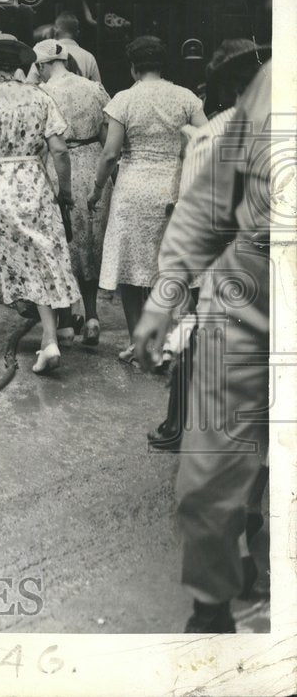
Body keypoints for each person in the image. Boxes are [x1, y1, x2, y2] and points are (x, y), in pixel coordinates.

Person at [132, 61, 271, 633]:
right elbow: (210, 207)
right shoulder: (273, 83)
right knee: (209, 472)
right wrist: (163, 300)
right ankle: (211, 611)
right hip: (250, 292)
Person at [148, 39, 269, 450]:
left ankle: (178, 427)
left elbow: (195, 215)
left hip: (228, 275)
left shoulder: (214, 136)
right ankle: (182, 427)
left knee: (196, 351)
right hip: (243, 273)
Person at [0, 33, 80, 372]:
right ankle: (50, 340)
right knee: (41, 256)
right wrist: (64, 192)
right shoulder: (40, 96)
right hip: (32, 184)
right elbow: (59, 150)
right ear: (19, 65)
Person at [90, 36, 206, 361]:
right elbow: (207, 139)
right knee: (171, 263)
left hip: (133, 186)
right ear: (162, 64)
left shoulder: (124, 99)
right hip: (173, 185)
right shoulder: (185, 97)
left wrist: (97, 189)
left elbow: (111, 153)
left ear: (133, 68)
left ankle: (136, 342)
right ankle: (174, 340)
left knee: (131, 267)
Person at [35, 39, 112, 346]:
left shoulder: (42, 93)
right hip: (93, 165)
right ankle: (92, 315)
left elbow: (46, 143)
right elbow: (108, 135)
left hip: (58, 169)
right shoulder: (94, 88)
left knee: (61, 244)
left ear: (42, 65)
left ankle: (66, 320)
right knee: (90, 243)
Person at [27, 12, 102, 85]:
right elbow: (98, 88)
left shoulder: (44, 54)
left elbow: (30, 85)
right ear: (77, 33)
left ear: (55, 31)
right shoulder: (89, 57)